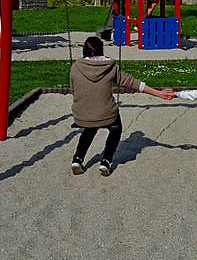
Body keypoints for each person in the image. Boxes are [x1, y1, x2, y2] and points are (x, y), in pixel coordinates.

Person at [70, 36, 174, 176]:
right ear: (101, 50)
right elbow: (134, 83)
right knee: (116, 128)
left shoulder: (75, 67)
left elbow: (73, 90)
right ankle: (106, 161)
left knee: (91, 126)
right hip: (105, 114)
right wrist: (159, 93)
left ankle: (77, 158)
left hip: (82, 115)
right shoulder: (110, 67)